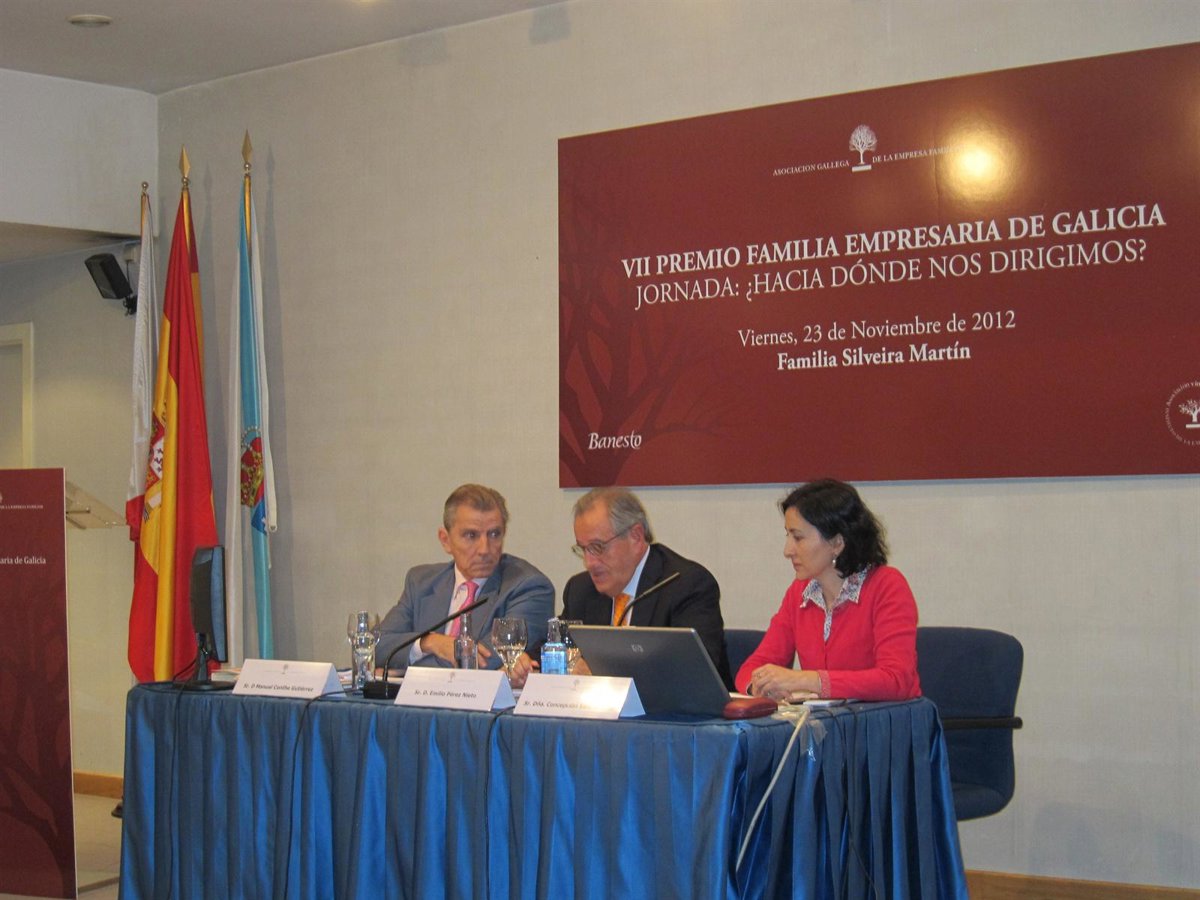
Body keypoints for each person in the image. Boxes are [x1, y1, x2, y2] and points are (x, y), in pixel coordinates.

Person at [513, 487, 732, 688]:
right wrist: (525, 664)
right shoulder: (582, 589)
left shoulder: (686, 585)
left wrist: (600, 672)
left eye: (597, 547)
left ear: (635, 536)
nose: (589, 562)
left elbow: (692, 674)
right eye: (583, 549)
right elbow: (556, 645)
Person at [738, 478, 920, 702]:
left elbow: (896, 680)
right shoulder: (799, 593)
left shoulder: (887, 586)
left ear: (836, 543)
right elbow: (753, 668)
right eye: (788, 536)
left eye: (798, 538)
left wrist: (808, 680)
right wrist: (758, 688)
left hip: (884, 721)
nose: (787, 550)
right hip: (827, 721)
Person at [375, 483, 554, 673]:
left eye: (494, 534)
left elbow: (483, 661)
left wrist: (402, 671)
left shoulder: (529, 586)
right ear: (445, 540)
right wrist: (430, 642)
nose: (484, 549)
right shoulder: (421, 583)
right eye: (471, 535)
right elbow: (375, 646)